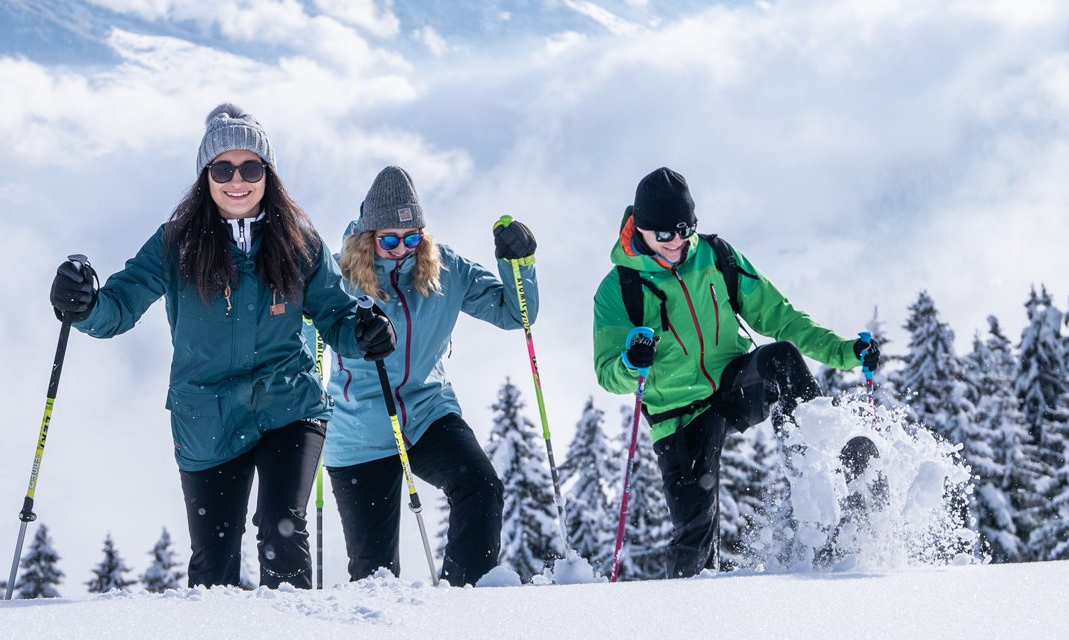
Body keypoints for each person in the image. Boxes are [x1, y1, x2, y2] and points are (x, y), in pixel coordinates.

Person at [48, 103, 396, 589]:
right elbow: (119, 308)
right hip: (205, 419)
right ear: (205, 176)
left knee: (282, 526)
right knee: (213, 567)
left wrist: (363, 334)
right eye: (223, 168)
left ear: (268, 175)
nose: (238, 180)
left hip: (288, 405)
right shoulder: (176, 244)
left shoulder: (300, 242)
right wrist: (84, 305)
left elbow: (337, 316)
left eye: (251, 167)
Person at [591, 167, 881, 579]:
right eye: (665, 235)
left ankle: (823, 483)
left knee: (780, 358)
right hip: (677, 415)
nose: (677, 243)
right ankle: (692, 613)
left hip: (731, 384)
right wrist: (630, 362)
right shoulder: (618, 289)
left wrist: (844, 352)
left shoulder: (717, 257)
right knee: (695, 528)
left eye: (685, 230)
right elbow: (607, 373)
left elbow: (782, 317)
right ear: (640, 228)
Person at [321, 165, 539, 586]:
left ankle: (465, 602)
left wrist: (519, 265)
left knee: (481, 488)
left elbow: (515, 314)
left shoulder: (445, 269)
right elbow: (300, 322)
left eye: (412, 237)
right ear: (368, 238)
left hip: (427, 411)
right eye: (388, 240)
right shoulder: (338, 277)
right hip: (359, 429)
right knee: (375, 574)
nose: (402, 248)